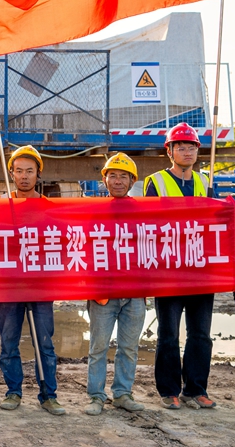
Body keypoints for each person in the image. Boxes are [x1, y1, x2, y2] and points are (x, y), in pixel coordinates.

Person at [144, 122, 215, 410]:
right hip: (169, 271)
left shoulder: (205, 181)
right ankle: (169, 390)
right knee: (169, 334)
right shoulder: (156, 181)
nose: (187, 152)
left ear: (198, 151)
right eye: (180, 147)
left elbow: (216, 222)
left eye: (191, 147)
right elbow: (149, 224)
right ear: (169, 151)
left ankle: (195, 389)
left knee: (200, 335)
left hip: (200, 271)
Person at [0, 145, 65, 415]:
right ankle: (13, 391)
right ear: (11, 173)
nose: (24, 176)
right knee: (8, 342)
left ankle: (49, 395)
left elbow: (61, 244)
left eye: (29, 171)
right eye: (18, 171)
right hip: (9, 286)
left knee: (44, 343)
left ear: (38, 174)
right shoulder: (1, 205)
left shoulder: (49, 208)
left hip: (40, 286)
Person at [85, 153, 146, 416]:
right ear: (105, 180)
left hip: (134, 293)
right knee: (98, 347)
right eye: (113, 175)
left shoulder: (144, 211)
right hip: (103, 293)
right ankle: (96, 396)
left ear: (132, 181)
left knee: (129, 348)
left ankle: (122, 393)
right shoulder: (93, 210)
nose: (118, 181)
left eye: (123, 176)